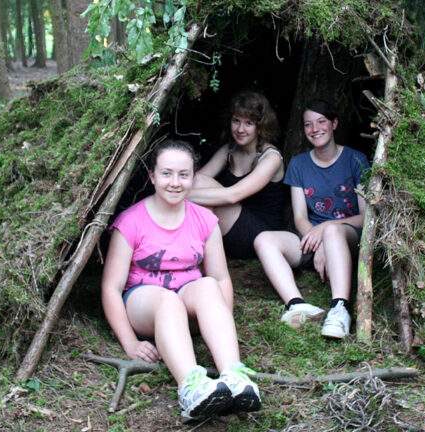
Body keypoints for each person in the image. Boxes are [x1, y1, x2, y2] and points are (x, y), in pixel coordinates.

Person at [100, 140, 261, 422]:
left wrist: (220, 320)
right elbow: (111, 287)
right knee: (168, 300)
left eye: (183, 175)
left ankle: (234, 375)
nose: (175, 182)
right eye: (166, 173)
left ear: (193, 177)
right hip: (146, 303)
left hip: (189, 303)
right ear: (152, 176)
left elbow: (221, 277)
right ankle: (191, 388)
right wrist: (130, 343)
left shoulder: (205, 219)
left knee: (208, 286)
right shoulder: (131, 221)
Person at [254, 99, 370, 339]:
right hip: (311, 239)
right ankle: (296, 304)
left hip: (347, 237)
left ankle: (340, 309)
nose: (315, 129)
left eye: (321, 122)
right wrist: (317, 240)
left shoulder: (355, 160)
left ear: (334, 123)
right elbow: (299, 217)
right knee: (264, 239)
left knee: (332, 233)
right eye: (308, 124)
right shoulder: (299, 164)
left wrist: (327, 231)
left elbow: (365, 216)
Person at [189, 90, 287, 259]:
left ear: (260, 126)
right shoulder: (229, 149)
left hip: (261, 236)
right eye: (236, 121)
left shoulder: (271, 157)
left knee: (198, 191)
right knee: (197, 181)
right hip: (231, 227)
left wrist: (176, 194)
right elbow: (195, 181)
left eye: (249, 123)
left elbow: (232, 196)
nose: (240, 129)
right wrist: (181, 191)